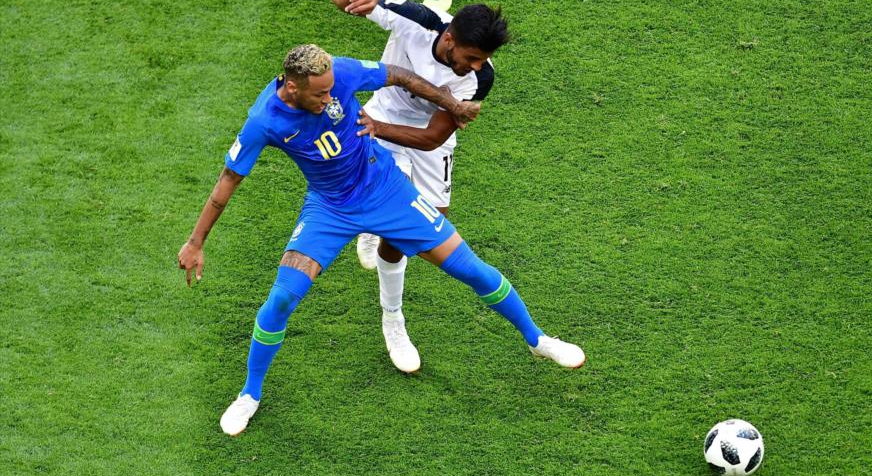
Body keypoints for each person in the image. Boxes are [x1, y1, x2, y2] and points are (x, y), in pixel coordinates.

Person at [177, 44, 584, 436]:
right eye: (320, 94)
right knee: (282, 297)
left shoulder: (340, 73)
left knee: (471, 269)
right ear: (292, 85)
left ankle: (538, 340)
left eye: (332, 89)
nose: (329, 98)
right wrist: (196, 243)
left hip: (387, 189)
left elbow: (399, 75)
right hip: (329, 208)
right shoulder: (264, 120)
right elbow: (228, 180)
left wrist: (452, 105)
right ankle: (250, 393)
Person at [332, 0, 507, 373]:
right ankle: (393, 319)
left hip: (422, 136)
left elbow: (431, 138)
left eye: (484, 60)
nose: (477, 66)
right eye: (473, 57)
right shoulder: (414, 20)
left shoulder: (480, 78)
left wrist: (377, 129)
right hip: (382, 118)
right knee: (399, 227)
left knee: (429, 225)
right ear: (449, 39)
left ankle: (374, 222)